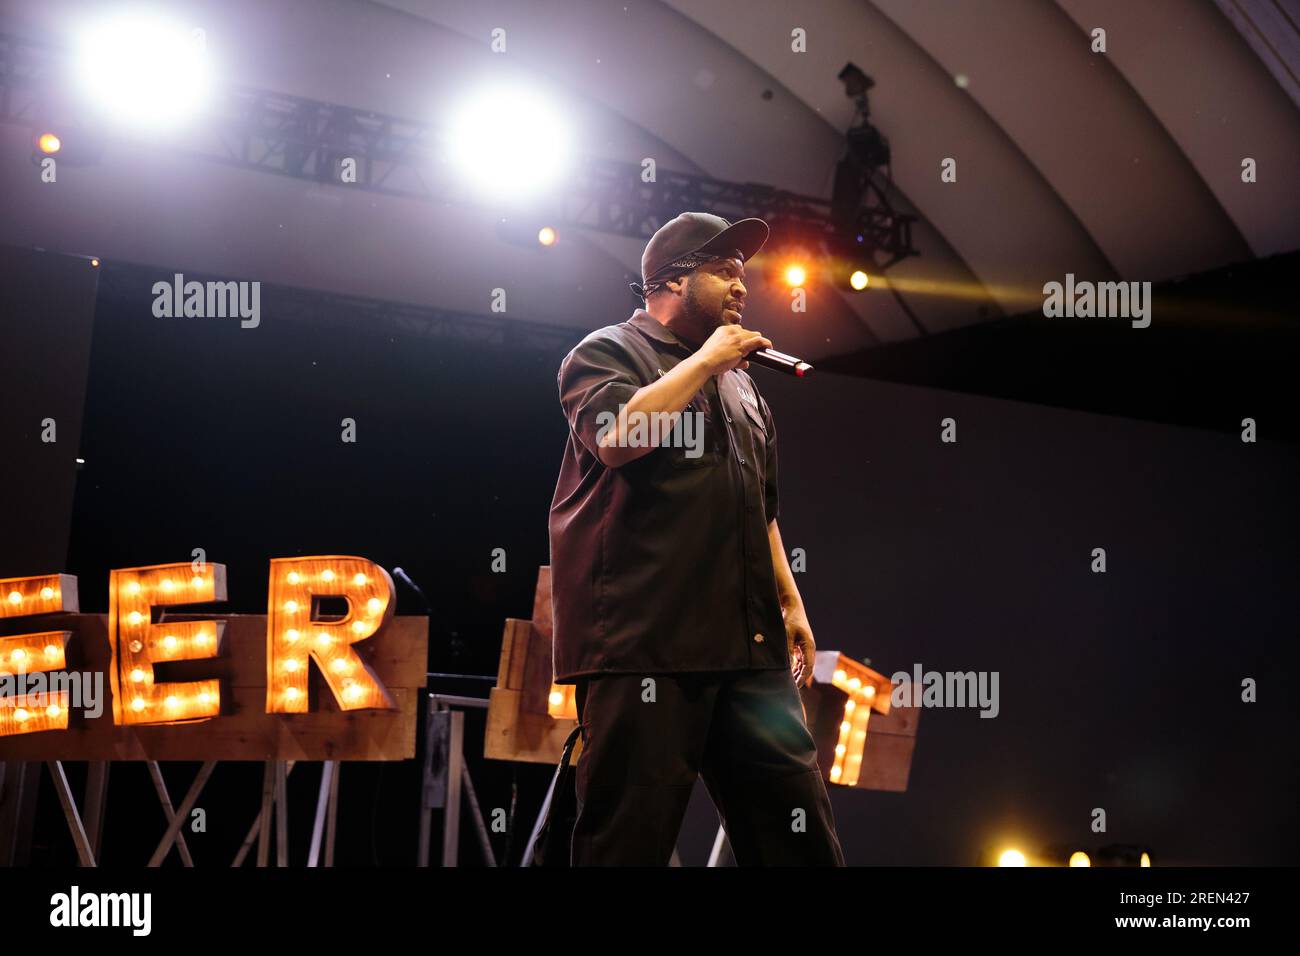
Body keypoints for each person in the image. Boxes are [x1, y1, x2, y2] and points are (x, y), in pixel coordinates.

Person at [548, 212, 846, 866]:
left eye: (744, 275)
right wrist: (706, 362)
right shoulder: (607, 352)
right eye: (724, 271)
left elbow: (758, 507)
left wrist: (790, 602)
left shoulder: (740, 381)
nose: (743, 287)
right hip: (646, 648)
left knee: (801, 840)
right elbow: (619, 439)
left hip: (748, 647)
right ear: (674, 280)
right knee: (626, 843)